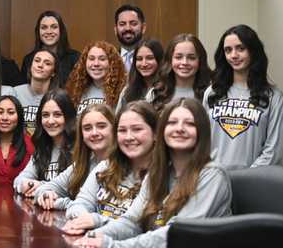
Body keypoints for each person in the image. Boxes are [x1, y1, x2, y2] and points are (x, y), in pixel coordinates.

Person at [73, 98, 232, 248]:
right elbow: (131, 222)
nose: (179, 128)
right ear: (162, 130)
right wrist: (92, 237)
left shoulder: (212, 175)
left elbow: (178, 234)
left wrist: (114, 245)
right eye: (172, 123)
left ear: (202, 132)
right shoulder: (157, 172)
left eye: (189, 123)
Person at [64, 101, 157, 235]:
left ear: (155, 134)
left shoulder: (160, 175)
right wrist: (83, 218)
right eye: (122, 130)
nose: (129, 137)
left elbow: (135, 227)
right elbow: (78, 204)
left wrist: (97, 220)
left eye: (137, 129)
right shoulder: (106, 166)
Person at [205, 25, 283, 168]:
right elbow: (202, 141)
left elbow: (273, 150)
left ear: (253, 51)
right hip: (214, 178)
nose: (234, 55)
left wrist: (247, 178)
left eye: (240, 48)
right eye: (228, 50)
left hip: (253, 181)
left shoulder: (274, 97)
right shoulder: (212, 92)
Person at [35, 104, 115, 211]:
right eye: (87, 128)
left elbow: (97, 211)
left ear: (114, 129)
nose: (94, 133)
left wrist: (61, 203)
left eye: (101, 126)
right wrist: (46, 195)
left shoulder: (123, 166)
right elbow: (45, 188)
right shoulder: (81, 165)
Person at [14, 91, 77, 196]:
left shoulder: (80, 148)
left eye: (57, 115)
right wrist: (27, 184)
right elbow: (19, 180)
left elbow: (72, 187)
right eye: (45, 115)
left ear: (68, 117)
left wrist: (41, 185)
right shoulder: (42, 148)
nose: (50, 121)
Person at [148, 33, 211, 111]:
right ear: (170, 60)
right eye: (178, 57)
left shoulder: (210, 93)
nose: (184, 62)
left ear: (200, 61)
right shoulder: (155, 93)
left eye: (191, 58)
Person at [21, 10, 81, 87]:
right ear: (38, 32)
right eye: (44, 27)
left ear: (61, 31)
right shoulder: (29, 59)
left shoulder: (75, 58)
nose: (49, 31)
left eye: (54, 27)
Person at [67, 41, 127, 115]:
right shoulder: (75, 90)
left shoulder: (123, 91)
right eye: (91, 59)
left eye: (102, 59)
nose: (96, 64)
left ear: (112, 63)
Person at [13, 49, 61, 135]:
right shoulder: (14, 92)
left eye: (47, 63)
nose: (40, 65)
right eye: (37, 61)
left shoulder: (59, 97)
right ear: (31, 66)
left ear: (53, 72)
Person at [117, 40, 164, 111]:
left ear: (159, 60)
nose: (144, 64)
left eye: (149, 58)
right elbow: (118, 119)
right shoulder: (127, 91)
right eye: (139, 59)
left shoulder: (167, 90)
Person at [114, 5, 147, 72]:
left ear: (143, 28)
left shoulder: (153, 61)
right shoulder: (109, 60)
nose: (128, 28)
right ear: (115, 29)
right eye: (122, 24)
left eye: (133, 24)